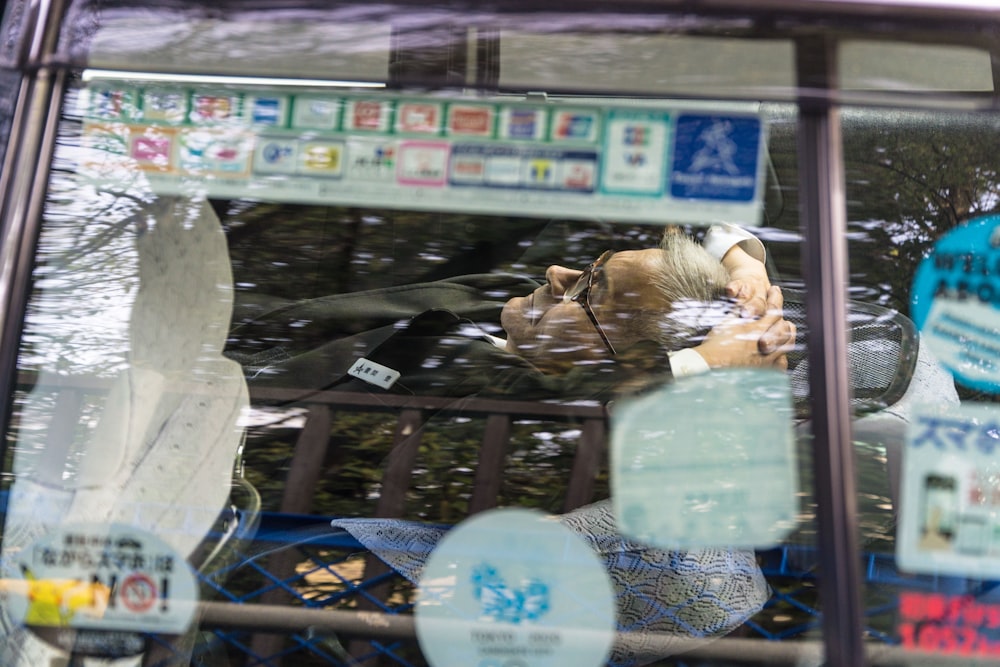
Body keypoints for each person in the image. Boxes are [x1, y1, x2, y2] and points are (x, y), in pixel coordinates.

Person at [227, 223, 795, 402]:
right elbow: (703, 154)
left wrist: (699, 366)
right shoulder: (497, 296)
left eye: (593, 290)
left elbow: (586, 402)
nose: (559, 275)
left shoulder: (491, 390)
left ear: (622, 359)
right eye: (590, 266)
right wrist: (741, 259)